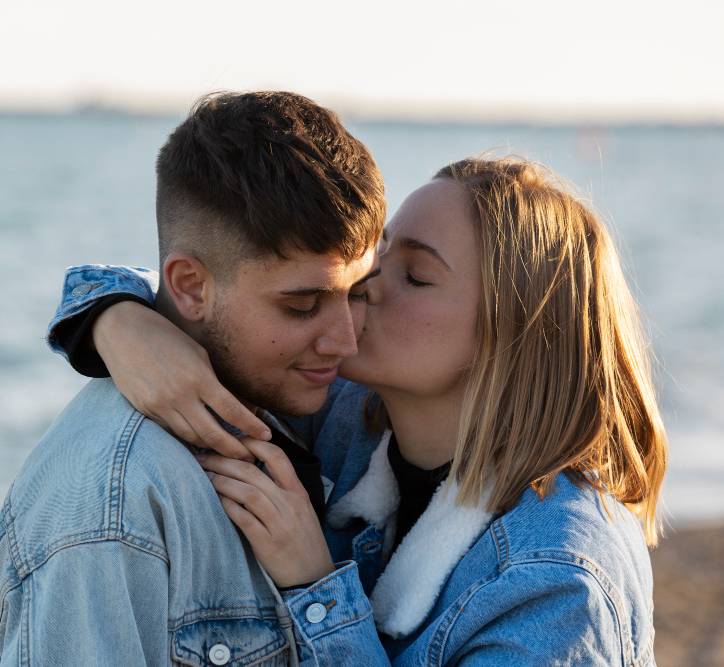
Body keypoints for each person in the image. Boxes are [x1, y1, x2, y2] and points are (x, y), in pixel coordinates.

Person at [49, 156, 668, 665]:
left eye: (416, 276)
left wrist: (316, 587)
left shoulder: (558, 578)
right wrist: (120, 323)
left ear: (514, 336)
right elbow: (223, 287)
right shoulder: (350, 417)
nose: (362, 285)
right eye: (378, 255)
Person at [0, 91, 393, 666]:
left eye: (358, 293)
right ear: (190, 287)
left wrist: (107, 312)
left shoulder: (303, 401)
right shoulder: (112, 511)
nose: (345, 340)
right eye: (302, 306)